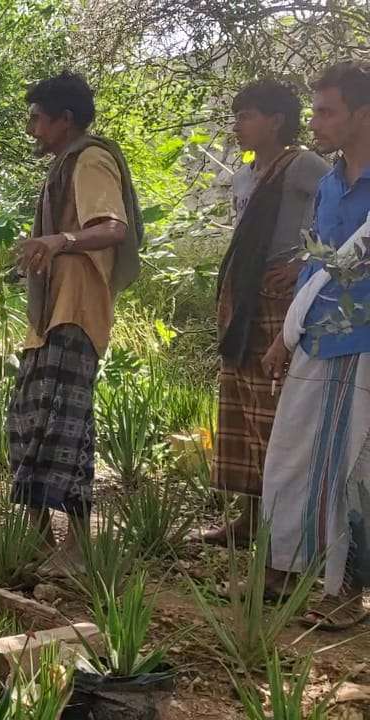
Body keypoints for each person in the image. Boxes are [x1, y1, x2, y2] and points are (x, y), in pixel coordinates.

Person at [9, 72, 143, 572]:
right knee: (28, 423)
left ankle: (79, 547)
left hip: (76, 312)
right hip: (51, 314)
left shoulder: (90, 159)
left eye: (37, 119)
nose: (32, 130)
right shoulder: (64, 164)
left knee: (65, 430)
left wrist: (59, 241)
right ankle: (40, 537)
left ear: (65, 119)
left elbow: (112, 227)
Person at [260, 61, 370, 631]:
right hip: (318, 337)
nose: (316, 122)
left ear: (363, 114)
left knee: (353, 467)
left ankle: (346, 589)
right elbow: (318, 264)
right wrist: (287, 336)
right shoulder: (329, 184)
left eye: (327, 111)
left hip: (364, 341)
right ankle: (288, 568)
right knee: (292, 454)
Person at [197, 80, 330, 547]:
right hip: (243, 303)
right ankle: (248, 518)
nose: (237, 125)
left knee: (275, 407)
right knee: (241, 406)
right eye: (237, 116)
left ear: (276, 121)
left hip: (280, 302)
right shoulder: (244, 176)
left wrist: (302, 264)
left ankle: (284, 530)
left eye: (247, 116)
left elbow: (339, 220)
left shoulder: (304, 165)